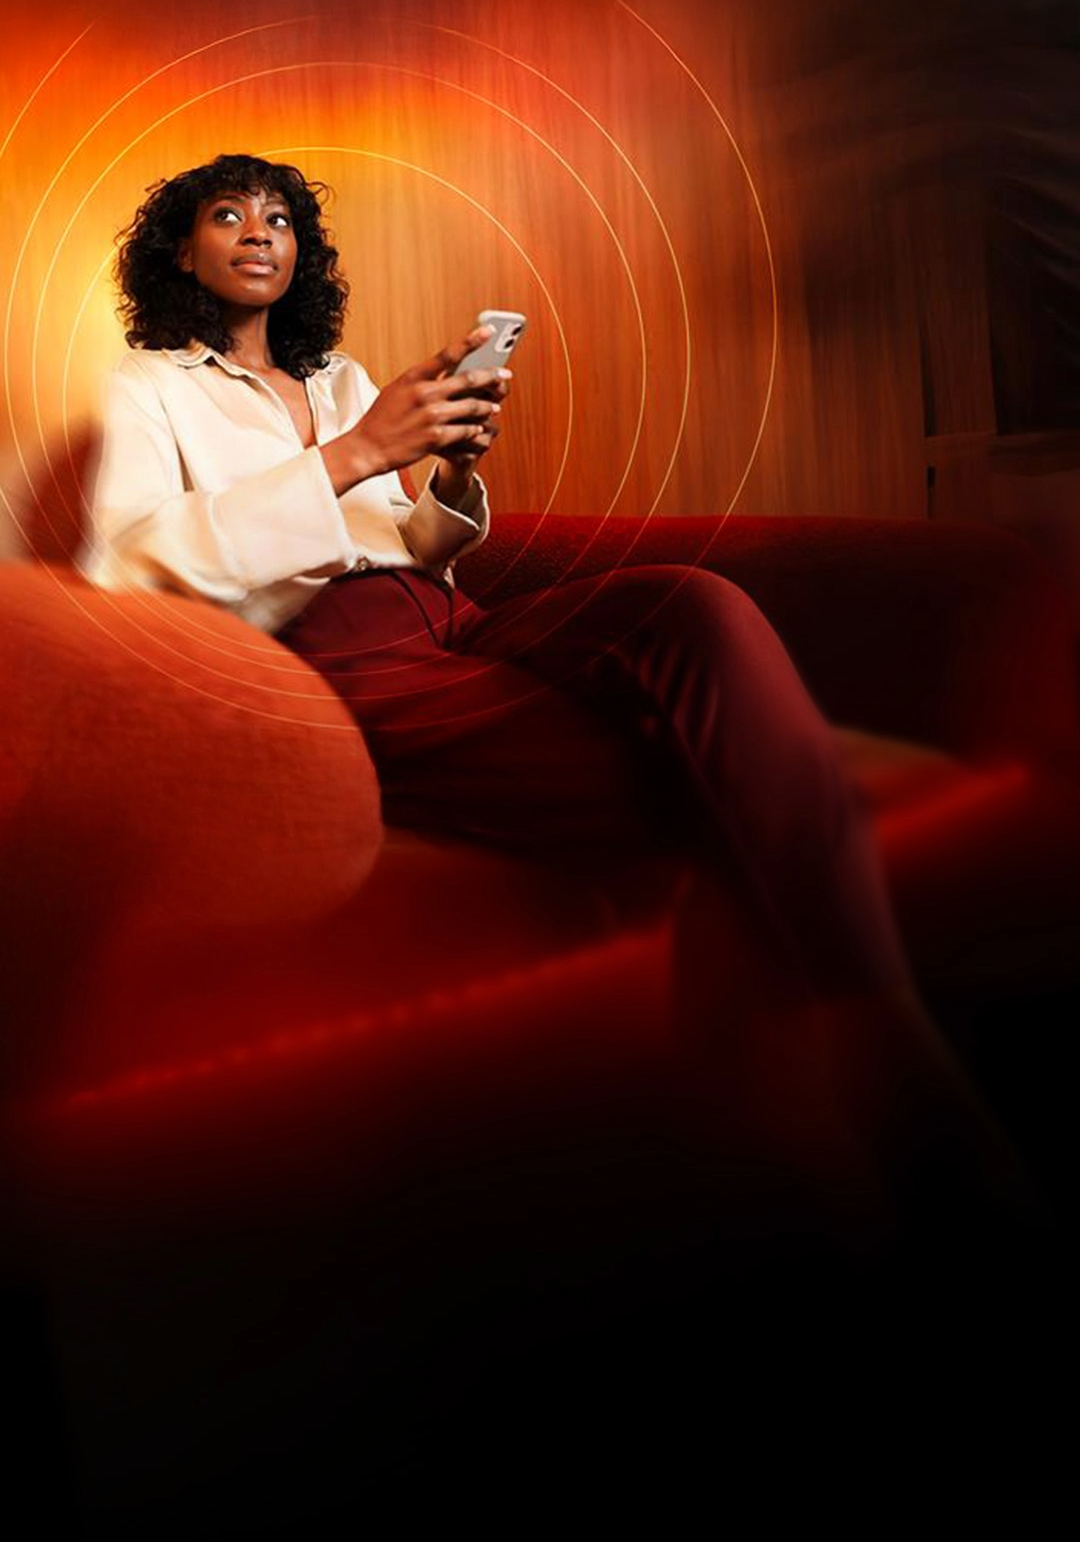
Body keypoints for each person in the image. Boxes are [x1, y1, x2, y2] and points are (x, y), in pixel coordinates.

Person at [80, 151, 1033, 1230]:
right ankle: (884, 1047)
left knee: (691, 604)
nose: (262, 233)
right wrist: (349, 458)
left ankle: (835, 1033)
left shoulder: (340, 379)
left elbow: (419, 545)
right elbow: (130, 565)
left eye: (283, 219)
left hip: (452, 619)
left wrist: (448, 475)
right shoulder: (147, 389)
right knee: (680, 769)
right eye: (229, 215)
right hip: (330, 658)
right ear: (182, 249)